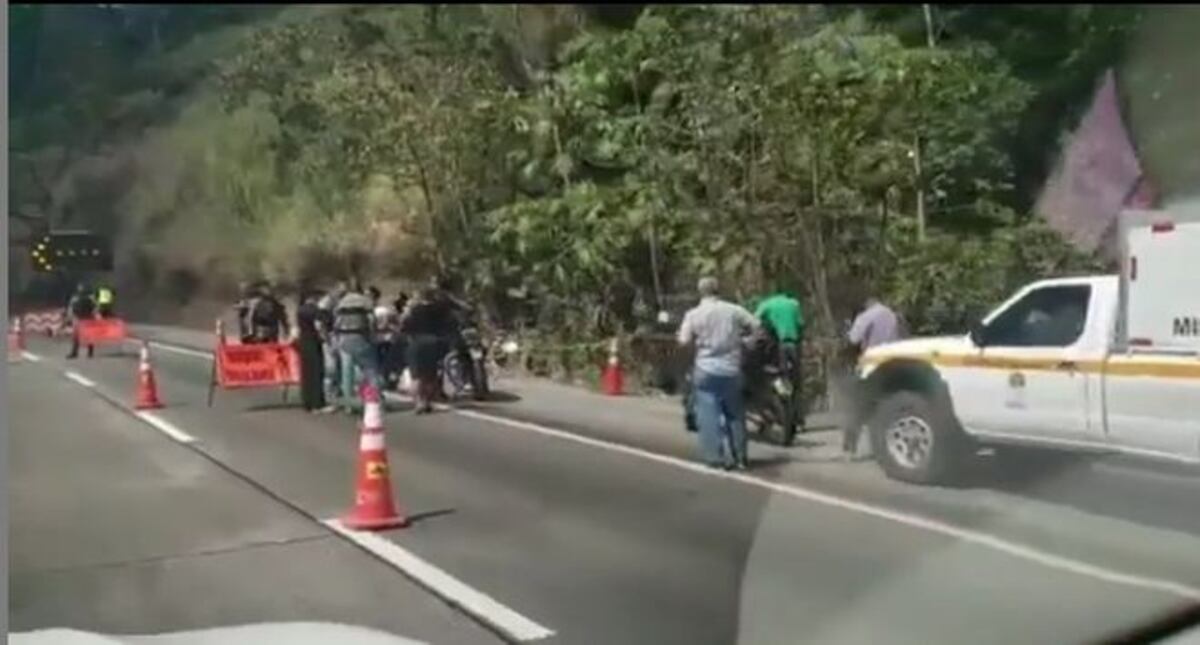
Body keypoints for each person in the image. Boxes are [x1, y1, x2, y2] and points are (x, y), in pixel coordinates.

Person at [677, 276, 760, 470]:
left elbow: (683, 340)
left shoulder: (693, 314)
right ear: (717, 290)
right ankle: (740, 457)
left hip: (706, 369)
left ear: (701, 292)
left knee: (708, 415)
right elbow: (756, 324)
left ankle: (716, 458)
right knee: (736, 414)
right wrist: (749, 341)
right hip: (731, 369)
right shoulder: (733, 310)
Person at [842, 295, 905, 458]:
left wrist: (849, 329)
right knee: (886, 406)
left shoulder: (866, 316)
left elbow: (852, 339)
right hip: (894, 364)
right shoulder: (893, 315)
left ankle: (850, 450)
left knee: (858, 408)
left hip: (871, 365)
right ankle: (886, 447)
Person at [333, 281, 382, 413]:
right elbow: (371, 320)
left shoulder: (341, 303)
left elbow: (336, 323)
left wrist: (337, 339)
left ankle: (349, 405)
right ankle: (375, 402)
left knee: (347, 373)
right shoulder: (365, 302)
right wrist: (373, 335)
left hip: (344, 339)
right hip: (361, 338)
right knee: (371, 370)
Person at [400, 287, 450, 414]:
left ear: (420, 297)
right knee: (430, 375)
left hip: (417, 342)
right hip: (434, 342)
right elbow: (447, 325)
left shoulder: (414, 310)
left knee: (416, 375)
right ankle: (427, 401)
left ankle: (419, 402)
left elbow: (404, 327)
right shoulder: (440, 310)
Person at [293, 289, 328, 413]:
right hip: (312, 342)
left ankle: (308, 402)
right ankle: (317, 403)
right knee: (316, 372)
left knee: (307, 374)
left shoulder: (300, 309)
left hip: (304, 342)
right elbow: (323, 321)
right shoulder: (312, 310)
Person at [317, 281, 347, 406]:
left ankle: (338, 388)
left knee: (340, 363)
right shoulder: (326, 303)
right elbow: (321, 322)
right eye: (341, 291)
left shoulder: (342, 301)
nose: (343, 293)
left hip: (340, 335)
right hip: (330, 335)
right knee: (331, 365)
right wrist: (325, 337)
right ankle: (328, 388)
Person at [66, 284, 97, 360]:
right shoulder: (77, 298)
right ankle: (77, 352)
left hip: (86, 318)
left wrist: (70, 317)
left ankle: (88, 352)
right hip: (80, 318)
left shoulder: (89, 298)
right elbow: (71, 308)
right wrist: (70, 317)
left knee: (87, 336)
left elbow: (95, 308)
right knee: (77, 336)